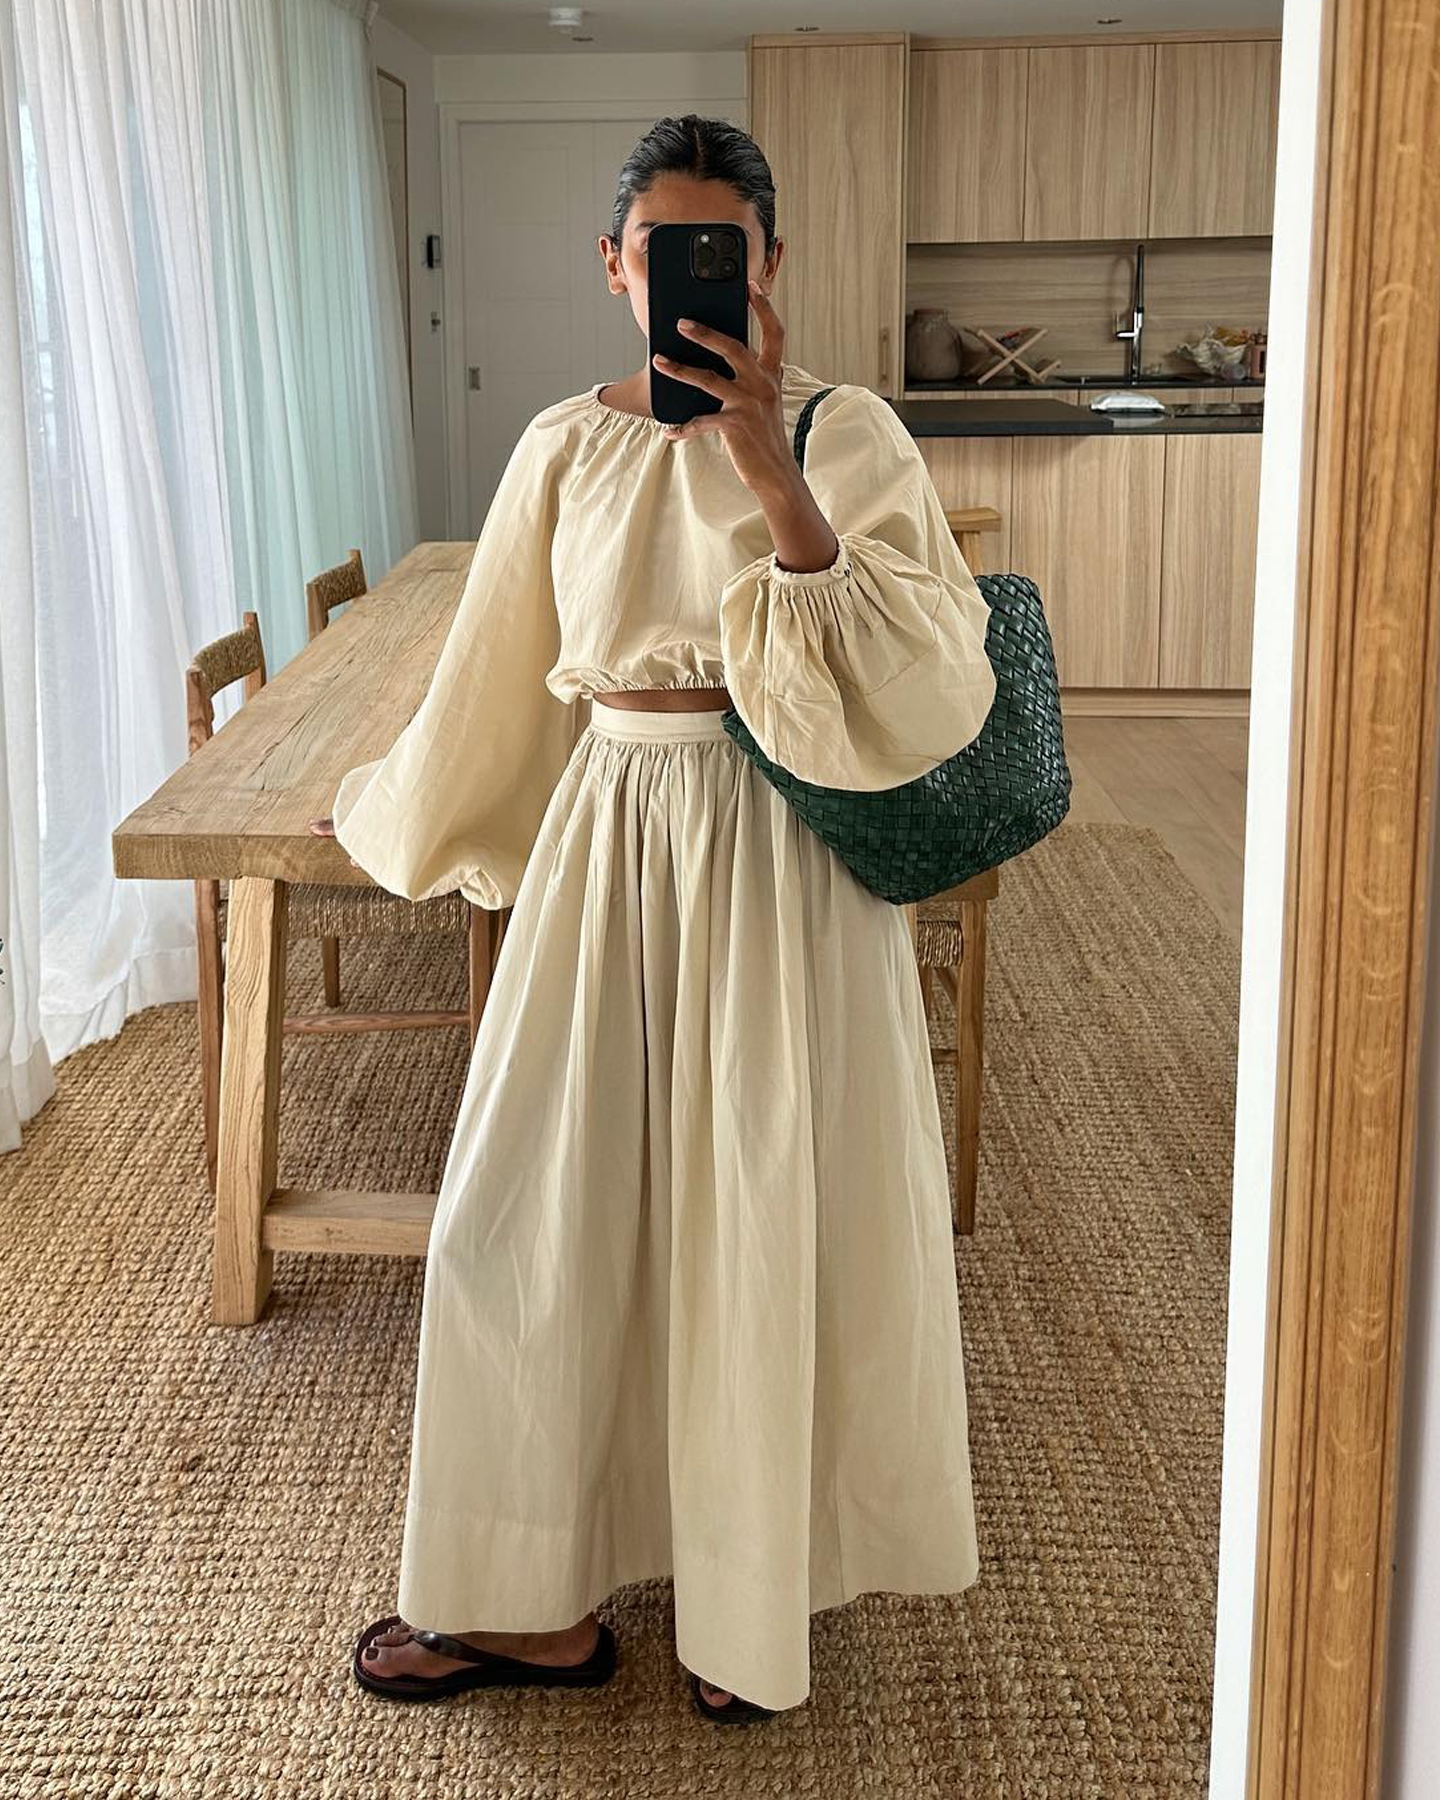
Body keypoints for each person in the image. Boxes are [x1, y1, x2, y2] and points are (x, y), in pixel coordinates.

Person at [314, 114, 996, 1724]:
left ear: (771, 269)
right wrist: (401, 805)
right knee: (528, 1212)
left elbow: (926, 685)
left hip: (786, 850)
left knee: (762, 1214)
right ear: (616, 268)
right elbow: (492, 677)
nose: (694, 277)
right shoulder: (561, 443)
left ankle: (752, 1602)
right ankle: (525, 1600)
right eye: (662, 250)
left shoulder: (855, 433)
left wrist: (773, 472)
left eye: (729, 251)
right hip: (613, 842)